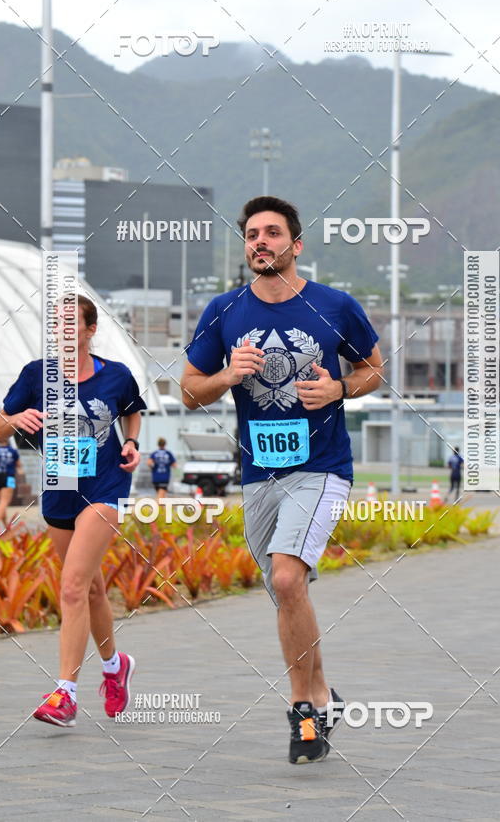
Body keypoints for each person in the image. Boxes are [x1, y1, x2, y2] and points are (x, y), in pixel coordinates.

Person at [180, 196, 383, 763]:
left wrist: (341, 388)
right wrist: (227, 374)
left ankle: (302, 713)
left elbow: (373, 368)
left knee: (290, 581)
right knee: (285, 592)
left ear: (296, 245)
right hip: (259, 474)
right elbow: (189, 391)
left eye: (272, 233)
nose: (260, 242)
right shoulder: (224, 311)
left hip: (321, 468)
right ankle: (322, 694)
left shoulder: (334, 306)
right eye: (251, 235)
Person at [0, 294, 146, 728]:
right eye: (55, 324)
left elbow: (132, 412)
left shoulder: (115, 376)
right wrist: (16, 418)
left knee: (74, 587)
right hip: (59, 492)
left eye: (71, 323)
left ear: (90, 330)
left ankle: (65, 694)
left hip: (105, 486)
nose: (62, 331)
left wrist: (131, 442)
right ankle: (116, 667)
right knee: (93, 592)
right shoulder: (35, 374)